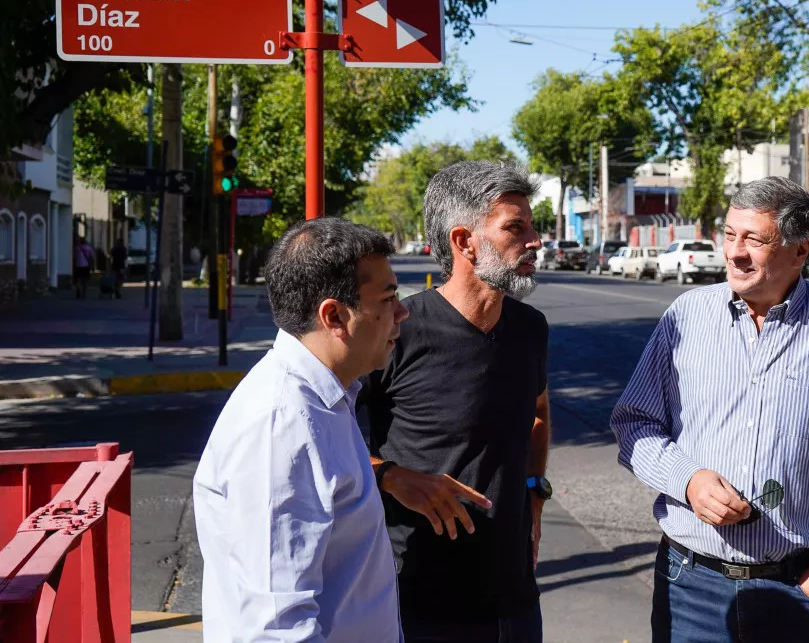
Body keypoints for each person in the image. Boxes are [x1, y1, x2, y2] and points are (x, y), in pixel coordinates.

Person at [611, 176, 809, 643]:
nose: (735, 252)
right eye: (730, 234)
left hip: (798, 589)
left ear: (799, 250)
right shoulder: (687, 316)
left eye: (755, 238)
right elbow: (635, 424)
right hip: (690, 586)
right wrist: (686, 479)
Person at [193, 217, 408, 643]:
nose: (402, 312)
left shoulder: (324, 398)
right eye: (388, 298)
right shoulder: (283, 426)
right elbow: (275, 627)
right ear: (334, 315)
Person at [360, 160, 550, 643]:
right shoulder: (398, 330)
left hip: (515, 599)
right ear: (464, 242)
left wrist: (535, 486)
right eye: (515, 227)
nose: (535, 240)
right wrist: (393, 476)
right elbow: (334, 443)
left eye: (533, 225)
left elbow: (538, 413)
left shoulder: (530, 329)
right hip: (417, 595)